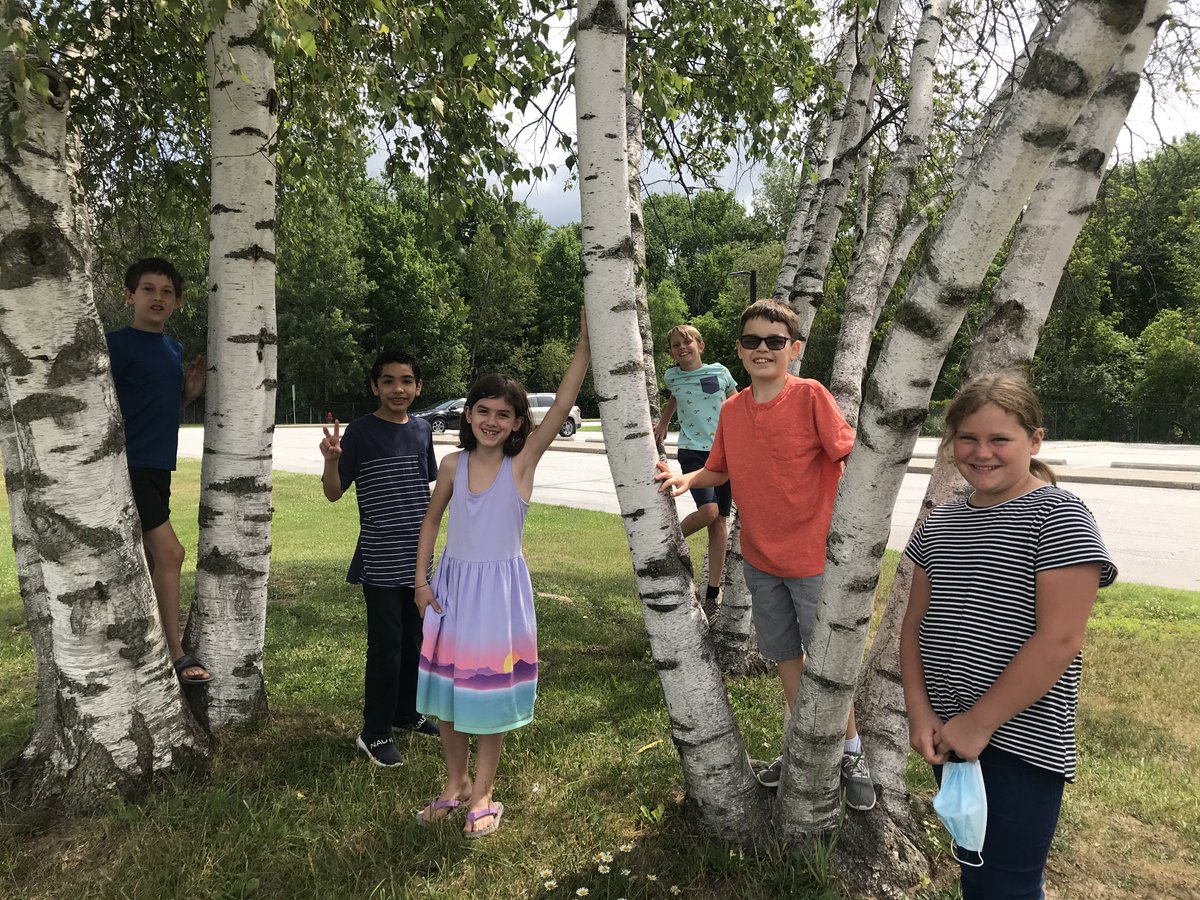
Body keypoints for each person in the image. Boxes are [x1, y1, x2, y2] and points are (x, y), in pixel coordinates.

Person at [901, 374, 1116, 898]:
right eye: (968, 439)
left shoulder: (1058, 514)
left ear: (1034, 441)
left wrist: (980, 723)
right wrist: (920, 710)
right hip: (949, 733)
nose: (982, 452)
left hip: (1021, 739)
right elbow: (912, 627)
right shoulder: (940, 521)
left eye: (1000, 439)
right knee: (977, 871)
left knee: (1008, 885)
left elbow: (1059, 640)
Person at [655, 299, 875, 810]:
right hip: (760, 560)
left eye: (775, 342)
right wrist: (685, 477)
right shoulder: (732, 411)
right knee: (785, 655)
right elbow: (719, 470)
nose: (763, 349)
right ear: (738, 349)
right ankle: (803, 746)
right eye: (752, 340)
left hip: (816, 560)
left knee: (827, 660)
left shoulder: (812, 396)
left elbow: (854, 457)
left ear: (793, 350)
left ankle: (852, 751)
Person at [412, 316, 591, 837]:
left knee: (485, 697)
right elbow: (431, 521)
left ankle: (485, 791)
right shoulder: (451, 464)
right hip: (451, 591)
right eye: (483, 411)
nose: (492, 421)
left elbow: (560, 407)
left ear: (518, 423)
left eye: (504, 415)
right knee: (447, 694)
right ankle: (456, 783)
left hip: (499, 598)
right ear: (468, 415)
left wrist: (583, 344)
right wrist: (421, 584)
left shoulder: (523, 464)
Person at [319, 350, 441, 768]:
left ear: (418, 387)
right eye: (388, 381)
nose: (398, 389)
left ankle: (406, 713)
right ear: (375, 386)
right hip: (380, 558)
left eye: (406, 381)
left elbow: (424, 490)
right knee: (385, 646)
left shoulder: (423, 430)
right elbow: (334, 493)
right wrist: (331, 461)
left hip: (418, 560)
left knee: (415, 641)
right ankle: (374, 732)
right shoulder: (360, 432)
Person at [107, 258, 210, 685]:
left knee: (152, 560)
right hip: (128, 467)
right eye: (148, 289)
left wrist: (189, 394)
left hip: (159, 465)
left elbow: (159, 408)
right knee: (171, 554)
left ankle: (144, 646)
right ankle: (175, 653)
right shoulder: (112, 344)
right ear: (130, 295)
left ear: (178, 302)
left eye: (167, 292)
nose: (158, 298)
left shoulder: (174, 349)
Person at [652, 324, 738, 614]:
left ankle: (713, 589)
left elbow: (737, 403)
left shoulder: (720, 372)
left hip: (725, 453)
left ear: (700, 345)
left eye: (687, 342)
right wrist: (664, 422)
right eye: (675, 345)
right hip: (693, 453)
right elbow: (675, 395)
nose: (682, 348)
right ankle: (669, 544)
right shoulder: (672, 376)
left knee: (719, 522)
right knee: (710, 511)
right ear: (672, 353)